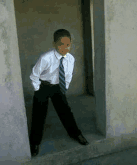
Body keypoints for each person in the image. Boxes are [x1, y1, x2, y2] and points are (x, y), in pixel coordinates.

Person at [29, 29, 89, 157]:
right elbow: (34, 75)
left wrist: (64, 88)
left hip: (57, 87)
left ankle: (75, 133)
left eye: (68, 44)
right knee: (39, 114)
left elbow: (67, 75)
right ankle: (34, 142)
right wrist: (37, 89)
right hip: (43, 86)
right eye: (61, 44)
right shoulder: (46, 58)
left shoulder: (70, 59)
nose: (65, 48)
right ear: (54, 44)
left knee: (65, 111)